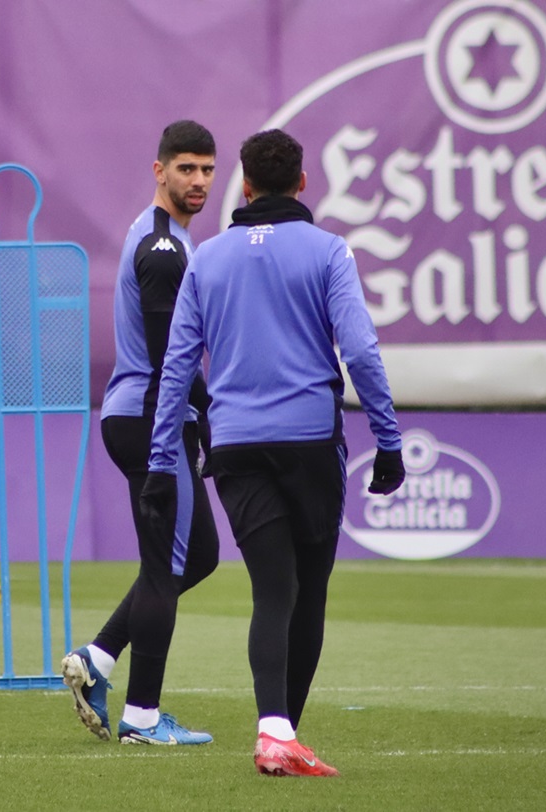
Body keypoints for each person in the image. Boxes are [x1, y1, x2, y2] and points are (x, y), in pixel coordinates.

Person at [143, 129, 404, 777]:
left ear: (246, 186)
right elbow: (363, 353)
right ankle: (281, 734)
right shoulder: (328, 251)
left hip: (234, 445)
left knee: (272, 590)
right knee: (307, 593)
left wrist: (158, 462)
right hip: (310, 443)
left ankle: (276, 730)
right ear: (305, 183)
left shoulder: (208, 257)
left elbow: (177, 366)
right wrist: (389, 441)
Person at [60, 120, 220, 746]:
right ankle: (143, 719)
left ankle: (97, 660)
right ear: (159, 171)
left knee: (196, 555)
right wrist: (204, 412)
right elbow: (166, 358)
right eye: (186, 168)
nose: (199, 180)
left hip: (147, 414)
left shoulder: (166, 237)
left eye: (207, 168)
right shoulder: (163, 249)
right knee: (166, 568)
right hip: (153, 417)